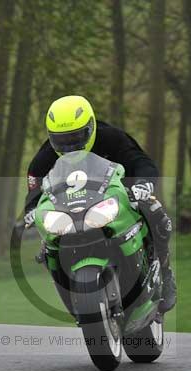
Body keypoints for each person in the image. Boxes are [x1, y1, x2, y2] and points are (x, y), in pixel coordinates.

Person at [23, 95, 176, 312]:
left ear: (91, 126)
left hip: (118, 195)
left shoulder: (111, 137)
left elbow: (141, 161)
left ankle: (166, 273)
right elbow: (34, 190)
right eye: (62, 141)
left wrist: (142, 184)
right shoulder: (44, 156)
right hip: (70, 207)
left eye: (76, 137)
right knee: (48, 245)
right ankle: (68, 290)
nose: (70, 147)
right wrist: (31, 210)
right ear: (51, 136)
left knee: (155, 210)